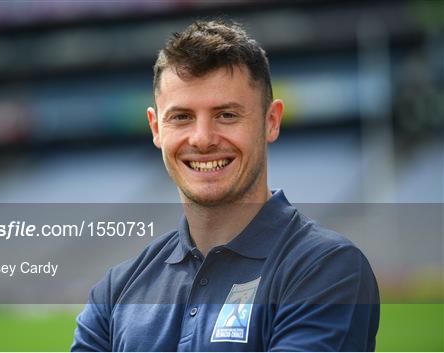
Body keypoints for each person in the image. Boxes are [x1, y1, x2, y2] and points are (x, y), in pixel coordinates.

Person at [71, 19, 379, 352]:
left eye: (227, 115)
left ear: (270, 121)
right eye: (181, 117)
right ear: (156, 128)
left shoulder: (326, 268)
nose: (202, 139)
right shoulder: (116, 291)